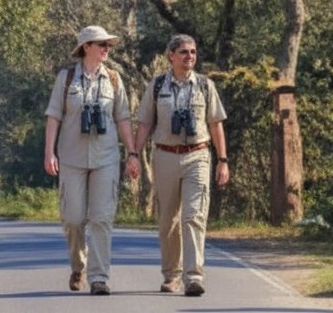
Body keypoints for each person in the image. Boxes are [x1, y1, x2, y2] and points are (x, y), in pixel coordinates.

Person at [44, 25, 139, 296]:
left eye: (108, 45)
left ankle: (99, 277)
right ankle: (79, 266)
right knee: (73, 218)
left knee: (101, 218)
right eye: (101, 44)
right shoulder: (66, 78)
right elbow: (54, 116)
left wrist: (132, 153)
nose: (107, 49)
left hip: (106, 157)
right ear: (86, 47)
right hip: (71, 157)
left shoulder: (114, 79)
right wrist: (49, 152)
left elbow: (123, 118)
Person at [132, 34, 229, 297]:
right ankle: (171, 275)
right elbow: (145, 123)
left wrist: (222, 160)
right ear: (171, 56)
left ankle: (194, 277)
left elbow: (215, 124)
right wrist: (133, 154)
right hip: (165, 155)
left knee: (193, 216)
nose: (190, 56)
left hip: (198, 155)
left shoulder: (205, 85)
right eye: (184, 52)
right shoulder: (157, 85)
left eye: (193, 52)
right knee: (169, 220)